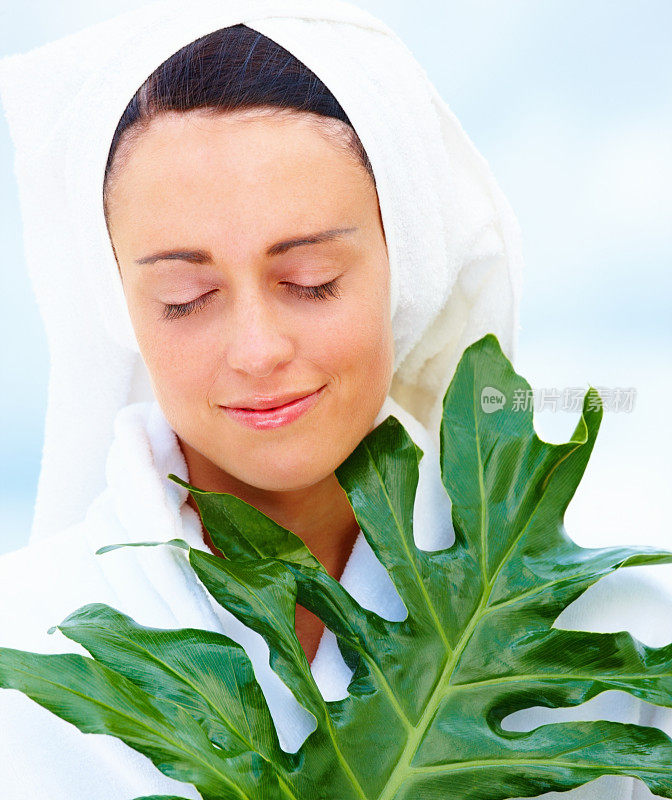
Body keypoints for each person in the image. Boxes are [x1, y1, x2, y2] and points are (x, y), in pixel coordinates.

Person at [0, 2, 668, 799]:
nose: (257, 350)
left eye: (311, 281)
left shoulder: (607, 649)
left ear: (405, 264)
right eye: (185, 296)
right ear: (119, 302)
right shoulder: (26, 672)